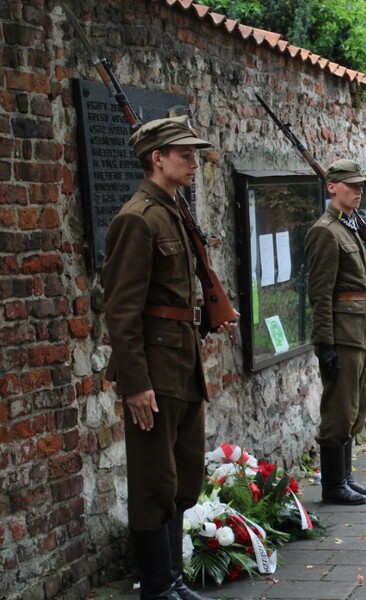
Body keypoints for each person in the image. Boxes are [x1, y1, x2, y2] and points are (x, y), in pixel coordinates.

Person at [103, 116, 227, 600]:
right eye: (184, 154)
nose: (194, 162)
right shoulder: (137, 218)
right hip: (154, 370)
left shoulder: (172, 210)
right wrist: (135, 383)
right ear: (158, 158)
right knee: (155, 481)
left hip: (182, 363)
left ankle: (174, 579)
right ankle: (157, 587)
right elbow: (122, 308)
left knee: (184, 476)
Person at [305, 159, 366, 505]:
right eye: (351, 185)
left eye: (361, 187)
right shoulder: (325, 231)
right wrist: (324, 343)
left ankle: (345, 476)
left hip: (360, 329)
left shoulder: (351, 228)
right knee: (339, 410)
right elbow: (321, 293)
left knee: (355, 408)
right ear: (332, 187)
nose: (358, 191)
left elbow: (356, 281)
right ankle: (332, 485)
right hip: (341, 334)